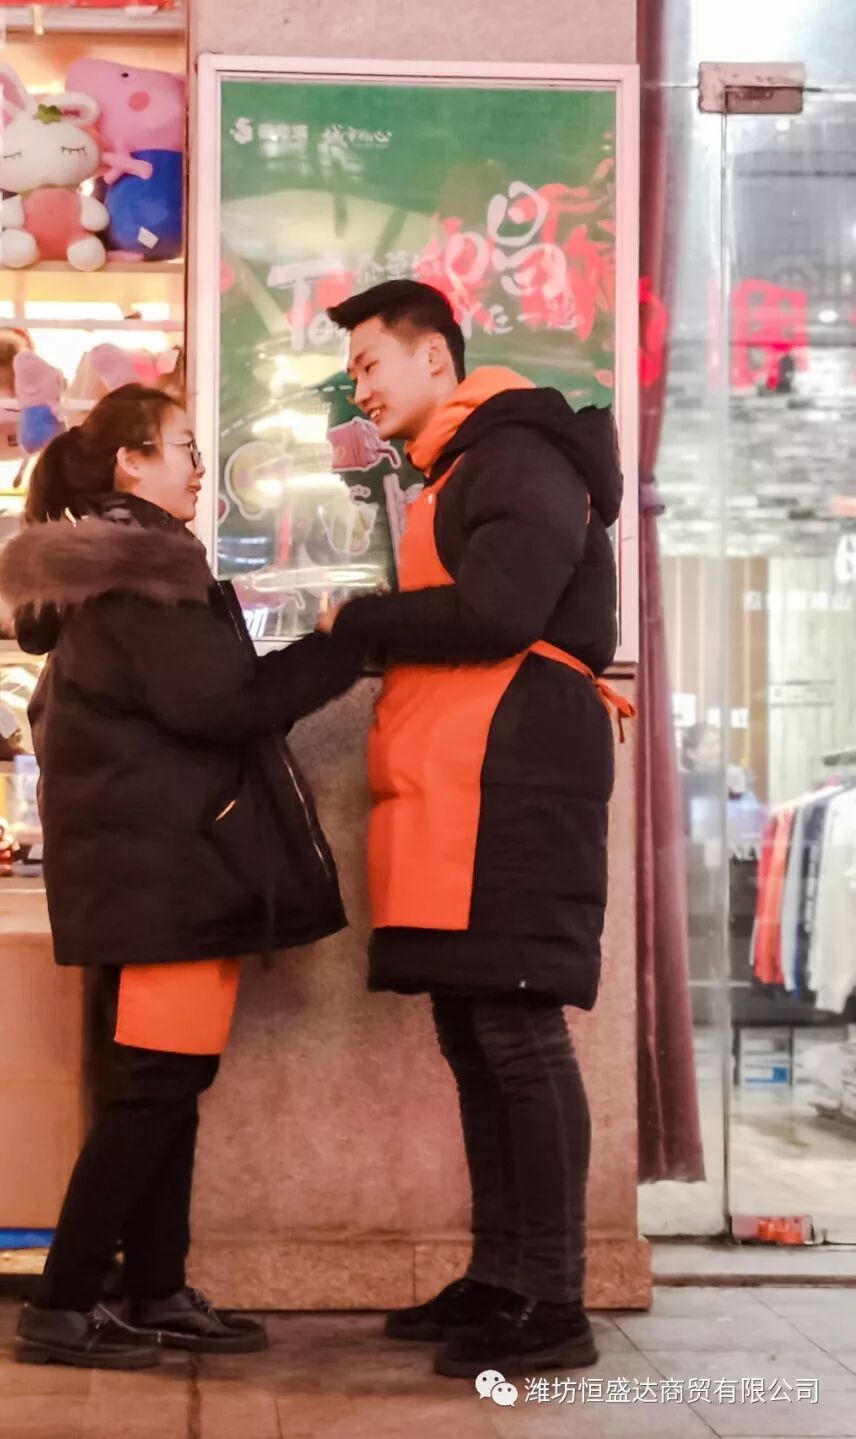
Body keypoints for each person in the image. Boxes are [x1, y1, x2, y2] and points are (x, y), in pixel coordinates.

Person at [0, 384, 361, 1372]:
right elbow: (219, 703)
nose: (199, 467)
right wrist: (342, 647)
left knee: (166, 1080)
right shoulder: (143, 568)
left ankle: (155, 1286)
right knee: (154, 1088)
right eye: (183, 447)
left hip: (151, 865)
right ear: (130, 461)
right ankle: (63, 1303)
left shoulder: (115, 566)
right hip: (166, 867)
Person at [322, 280, 632, 1378]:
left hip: (516, 774)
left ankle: (553, 1297)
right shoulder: (460, 466)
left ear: (436, 360)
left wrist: (361, 620)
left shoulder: (516, 452)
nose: (359, 389)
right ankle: (503, 1273)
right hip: (470, 774)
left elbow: (500, 610)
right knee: (475, 1031)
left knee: (517, 1033)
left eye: (370, 365)